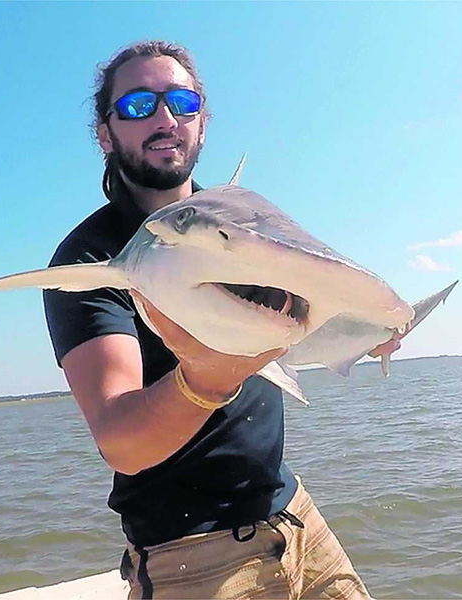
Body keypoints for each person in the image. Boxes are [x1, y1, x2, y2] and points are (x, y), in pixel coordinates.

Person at [44, 40, 397, 599]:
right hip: (191, 555)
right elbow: (121, 442)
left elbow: (307, 309)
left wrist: (365, 327)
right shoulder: (90, 260)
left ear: (202, 124)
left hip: (296, 515)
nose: (164, 117)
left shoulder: (249, 220)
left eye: (181, 102)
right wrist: (205, 377)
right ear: (105, 133)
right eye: (138, 105)